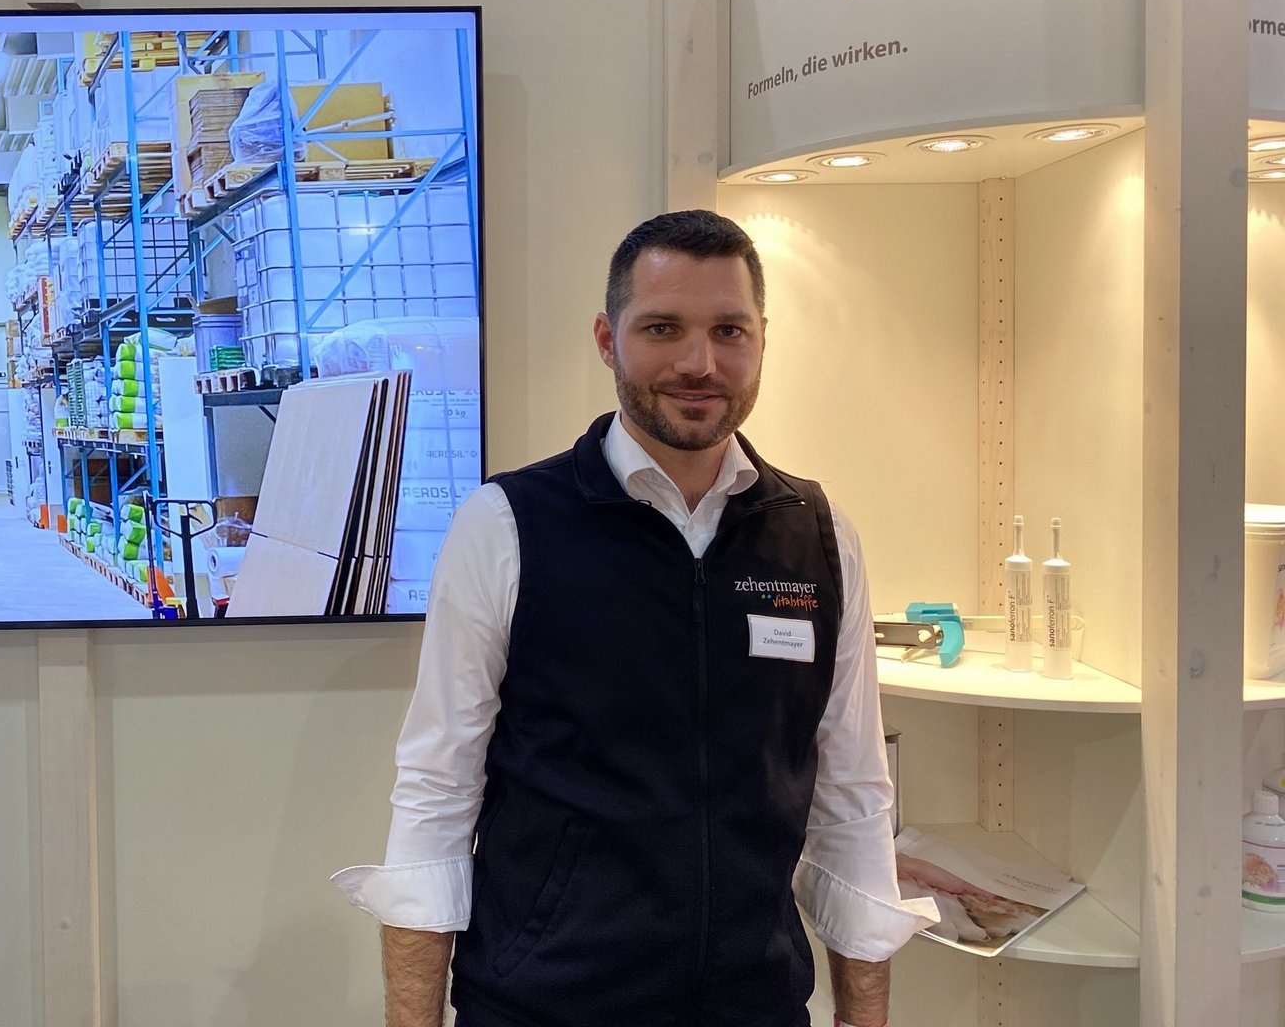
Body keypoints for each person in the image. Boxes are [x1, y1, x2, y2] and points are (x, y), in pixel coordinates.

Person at [334, 209, 936, 1027]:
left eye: (729, 330)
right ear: (607, 339)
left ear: (762, 341)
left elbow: (854, 797)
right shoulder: (508, 525)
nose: (699, 362)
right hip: (543, 1006)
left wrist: (864, 1015)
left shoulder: (818, 537)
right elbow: (437, 791)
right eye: (663, 328)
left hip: (753, 1007)